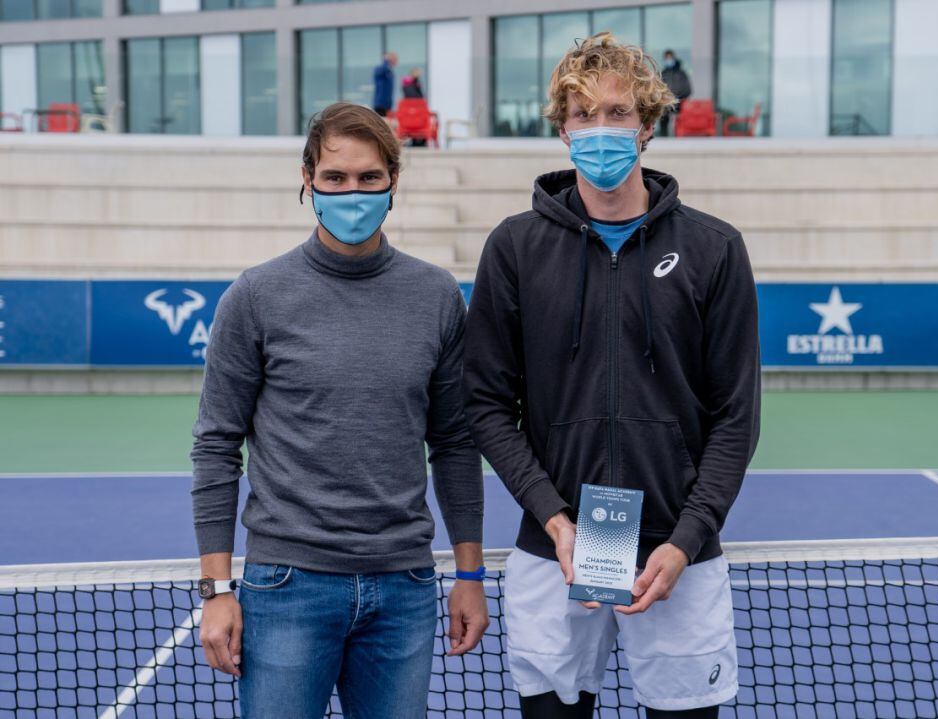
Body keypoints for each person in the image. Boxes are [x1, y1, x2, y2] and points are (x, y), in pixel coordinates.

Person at [463, 33, 760, 718]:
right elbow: (484, 403)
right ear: (562, 128)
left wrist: (685, 541)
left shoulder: (715, 248)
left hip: (678, 553)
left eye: (617, 113)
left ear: (648, 125)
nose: (601, 130)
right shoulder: (514, 246)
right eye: (583, 114)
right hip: (554, 547)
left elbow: (735, 415)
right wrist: (554, 517)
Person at [191, 101, 488, 719]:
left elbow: (455, 443)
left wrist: (470, 575)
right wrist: (218, 589)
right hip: (286, 586)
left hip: (404, 588)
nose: (352, 191)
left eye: (368, 178)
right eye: (335, 178)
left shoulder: (436, 295)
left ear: (393, 183)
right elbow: (217, 446)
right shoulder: (255, 296)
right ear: (308, 180)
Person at [659, 50, 692, 136]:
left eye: (670, 58)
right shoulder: (663, 73)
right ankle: (664, 138)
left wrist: (678, 98)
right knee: (663, 117)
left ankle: (679, 137)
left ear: (674, 58)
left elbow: (688, 89)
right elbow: (658, 88)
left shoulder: (681, 74)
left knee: (679, 121)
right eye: (667, 58)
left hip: (679, 103)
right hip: (666, 103)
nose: (668, 60)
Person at [373, 52, 398, 116]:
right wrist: (386, 61)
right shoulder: (381, 69)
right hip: (380, 103)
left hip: (387, 103)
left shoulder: (390, 71)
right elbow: (379, 71)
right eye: (395, 59)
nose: (397, 61)